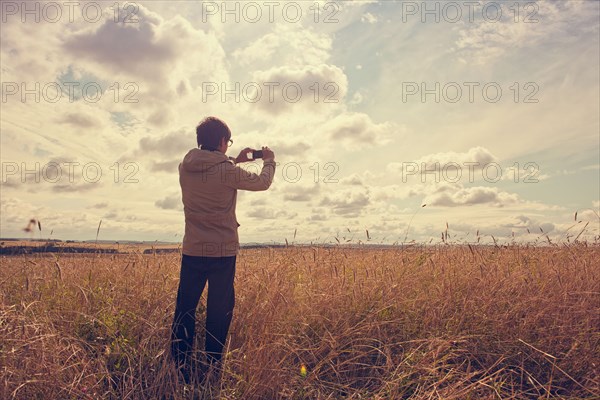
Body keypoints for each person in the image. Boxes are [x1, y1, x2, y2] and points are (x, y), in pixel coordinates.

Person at [170, 116, 276, 384]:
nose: (228, 146)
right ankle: (212, 367)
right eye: (228, 142)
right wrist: (269, 161)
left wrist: (234, 161)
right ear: (221, 141)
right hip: (221, 252)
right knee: (219, 310)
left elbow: (212, 172)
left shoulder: (185, 167)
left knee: (185, 308)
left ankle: (180, 364)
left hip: (193, 248)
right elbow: (262, 183)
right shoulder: (227, 171)